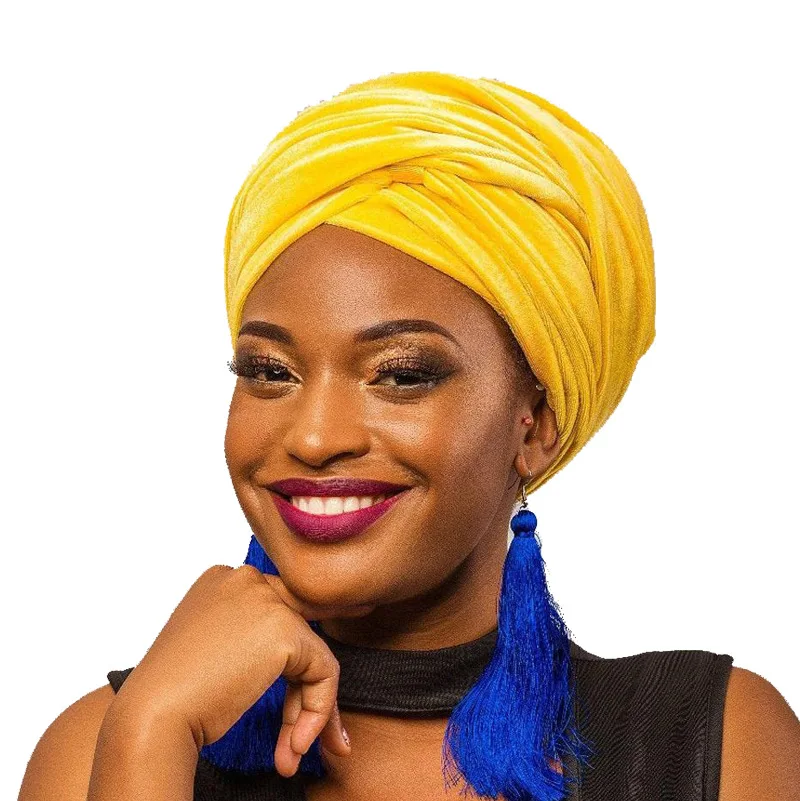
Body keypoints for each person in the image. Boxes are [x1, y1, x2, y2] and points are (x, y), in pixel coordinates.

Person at [19, 71, 799, 801]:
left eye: (400, 374)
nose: (313, 437)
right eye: (270, 371)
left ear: (537, 427)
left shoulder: (713, 746)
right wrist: (151, 735)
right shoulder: (108, 740)